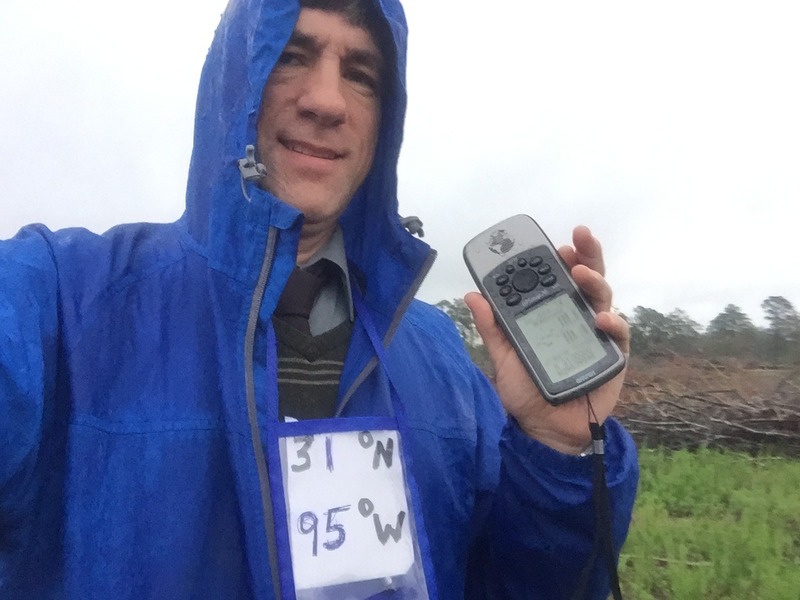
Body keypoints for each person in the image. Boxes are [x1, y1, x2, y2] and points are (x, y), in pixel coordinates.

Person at [0, 0, 638, 598]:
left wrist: (560, 450)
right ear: (233, 82)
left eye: (360, 73)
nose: (328, 101)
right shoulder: (61, 296)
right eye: (290, 55)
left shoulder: (439, 358)